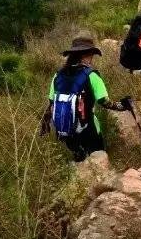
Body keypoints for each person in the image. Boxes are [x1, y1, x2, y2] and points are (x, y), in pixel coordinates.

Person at [43, 31, 126, 161]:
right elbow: (105, 102)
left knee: (78, 163)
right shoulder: (91, 75)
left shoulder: (58, 75)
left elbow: (51, 102)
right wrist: (123, 106)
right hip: (89, 130)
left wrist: (46, 123)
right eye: (92, 55)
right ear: (86, 55)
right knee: (97, 165)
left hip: (65, 131)